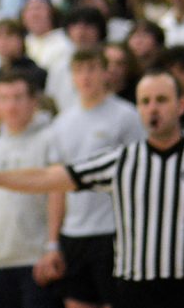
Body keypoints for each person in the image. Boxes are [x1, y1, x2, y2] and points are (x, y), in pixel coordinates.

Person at [0, 70, 184, 308]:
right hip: (136, 291)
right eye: (145, 101)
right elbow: (48, 178)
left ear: (181, 105)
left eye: (161, 99)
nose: (153, 109)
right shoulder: (121, 160)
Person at [46, 49, 144, 308]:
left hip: (114, 231)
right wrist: (53, 242)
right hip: (74, 234)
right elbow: (56, 187)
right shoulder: (61, 123)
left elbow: (140, 175)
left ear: (105, 72)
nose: (86, 76)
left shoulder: (126, 116)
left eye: (92, 68)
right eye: (79, 70)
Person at [0, 73, 60, 308]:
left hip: (40, 261)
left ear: (33, 102)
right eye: (4, 98)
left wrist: (53, 247)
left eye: (18, 97)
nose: (11, 105)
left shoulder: (51, 140)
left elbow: (59, 195)